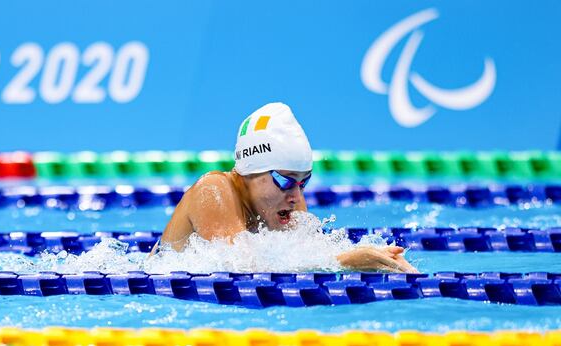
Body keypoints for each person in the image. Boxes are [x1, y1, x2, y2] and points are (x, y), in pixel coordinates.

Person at [153, 102, 417, 273]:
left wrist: (374, 259)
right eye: (285, 181)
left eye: (303, 182)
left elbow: (311, 253)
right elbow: (242, 267)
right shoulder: (212, 191)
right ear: (251, 172)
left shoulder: (286, 201)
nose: (296, 196)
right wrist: (346, 261)